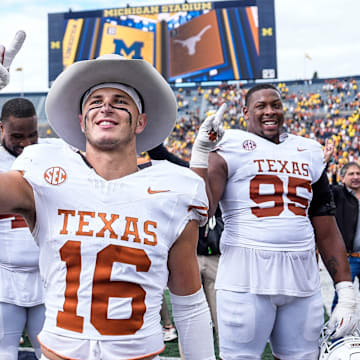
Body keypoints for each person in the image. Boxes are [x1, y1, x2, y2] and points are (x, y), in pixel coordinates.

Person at [0, 51, 215, 360]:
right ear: (81, 121)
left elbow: (189, 303)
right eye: (95, 101)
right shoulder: (44, 170)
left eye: (120, 100)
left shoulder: (175, 188)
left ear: (141, 121)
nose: (107, 107)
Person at [190, 83, 357, 359]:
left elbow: (325, 225)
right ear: (245, 112)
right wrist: (201, 152)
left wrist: (346, 291)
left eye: (276, 105)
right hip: (245, 278)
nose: (270, 111)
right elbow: (200, 210)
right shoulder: (227, 146)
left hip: (302, 278)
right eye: (261, 106)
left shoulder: (309, 151)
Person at [0, 98, 45, 359]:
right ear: (2, 130)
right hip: (4, 276)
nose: (26, 143)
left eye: (33, 135)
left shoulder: (51, 157)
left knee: (51, 352)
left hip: (47, 276)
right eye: (18, 136)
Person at [330, 161, 360, 310]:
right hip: (348, 257)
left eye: (358, 173)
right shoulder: (339, 194)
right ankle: (336, 333)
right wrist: (326, 163)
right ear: (343, 178)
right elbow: (323, 189)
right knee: (342, 300)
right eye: (351, 174)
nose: (356, 177)